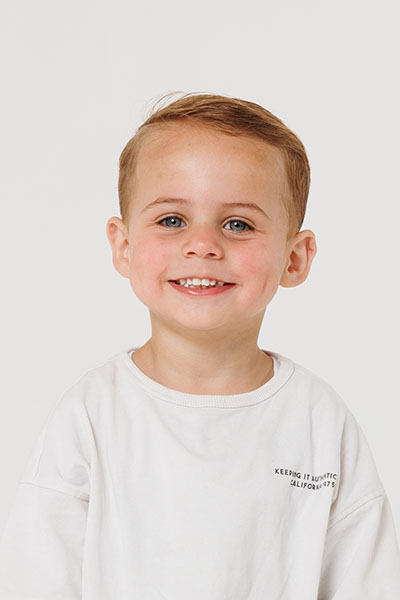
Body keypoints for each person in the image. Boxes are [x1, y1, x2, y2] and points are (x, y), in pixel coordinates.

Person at [0, 92, 399, 599]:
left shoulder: (320, 421)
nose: (203, 245)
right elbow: (37, 579)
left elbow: (367, 582)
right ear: (123, 246)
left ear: (294, 258)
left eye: (238, 224)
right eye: (172, 220)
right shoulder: (92, 414)